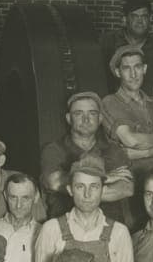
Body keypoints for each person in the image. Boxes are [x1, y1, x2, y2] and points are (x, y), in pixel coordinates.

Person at [32, 155, 135, 262]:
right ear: (70, 190)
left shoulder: (119, 232)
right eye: (80, 186)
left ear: (103, 190)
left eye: (94, 186)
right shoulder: (51, 228)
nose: (87, 194)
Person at [40, 91, 135, 226]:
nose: (86, 119)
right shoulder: (54, 150)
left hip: (109, 230)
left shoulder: (114, 150)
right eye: (78, 113)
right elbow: (54, 182)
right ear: (68, 118)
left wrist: (78, 188)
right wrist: (105, 178)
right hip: (65, 230)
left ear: (100, 118)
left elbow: (126, 188)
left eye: (92, 113)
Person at [99, 0, 153, 117]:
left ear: (150, 19)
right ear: (125, 20)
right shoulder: (108, 42)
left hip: (143, 111)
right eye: (135, 16)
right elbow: (96, 78)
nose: (140, 21)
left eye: (144, 16)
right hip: (112, 110)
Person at [101, 45, 153, 177]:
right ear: (117, 72)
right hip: (130, 179)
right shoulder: (110, 102)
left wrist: (142, 153)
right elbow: (131, 141)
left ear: (144, 69)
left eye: (137, 67)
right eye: (126, 68)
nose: (133, 74)